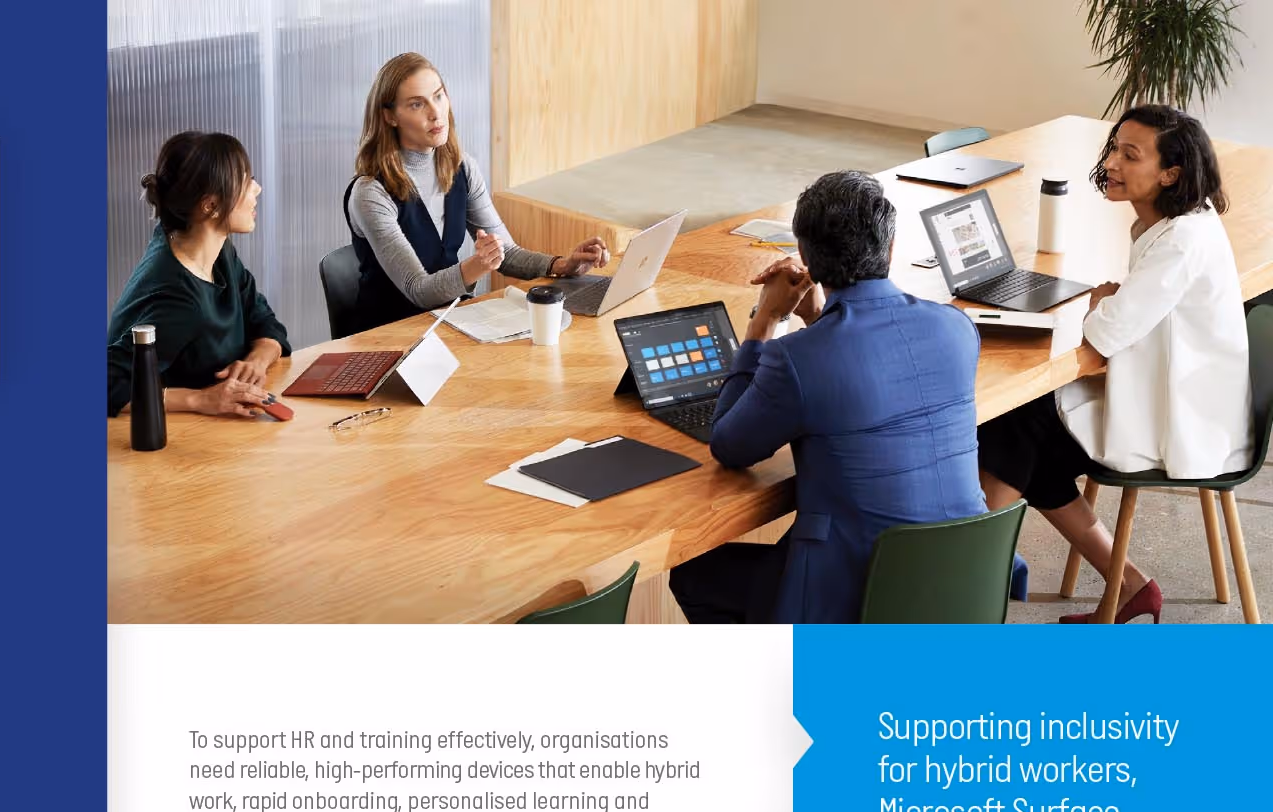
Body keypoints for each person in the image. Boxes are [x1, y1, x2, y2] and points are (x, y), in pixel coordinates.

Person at [668, 170, 985, 624]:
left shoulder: (795, 359)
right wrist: (818, 319)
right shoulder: (957, 327)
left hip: (859, 595)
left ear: (805, 257)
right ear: (890, 247)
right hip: (964, 576)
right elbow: (871, 374)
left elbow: (730, 446)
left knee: (694, 574)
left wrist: (763, 323)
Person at [978, 104, 1246, 623]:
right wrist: (1109, 305)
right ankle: (1127, 585)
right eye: (1114, 149)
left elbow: (1105, 335)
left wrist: (1101, 304)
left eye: (1130, 154)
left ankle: (968, 585)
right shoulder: (1172, 223)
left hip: (1184, 419)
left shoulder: (1181, 241)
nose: (1112, 164)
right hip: (1176, 391)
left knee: (1011, 426)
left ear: (1170, 174)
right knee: (1027, 443)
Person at [342, 52, 608, 337]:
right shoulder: (370, 193)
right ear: (390, 116)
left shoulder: (461, 167)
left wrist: (563, 265)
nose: (436, 113)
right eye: (417, 104)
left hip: (449, 323)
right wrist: (478, 265)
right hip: (388, 338)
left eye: (439, 96)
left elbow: (507, 254)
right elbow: (419, 290)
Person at [107, 131, 291, 418]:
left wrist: (257, 359)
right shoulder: (178, 298)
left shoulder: (215, 252)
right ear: (211, 206)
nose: (257, 189)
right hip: (169, 436)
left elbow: (264, 320)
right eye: (245, 182)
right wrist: (198, 399)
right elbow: (106, 383)